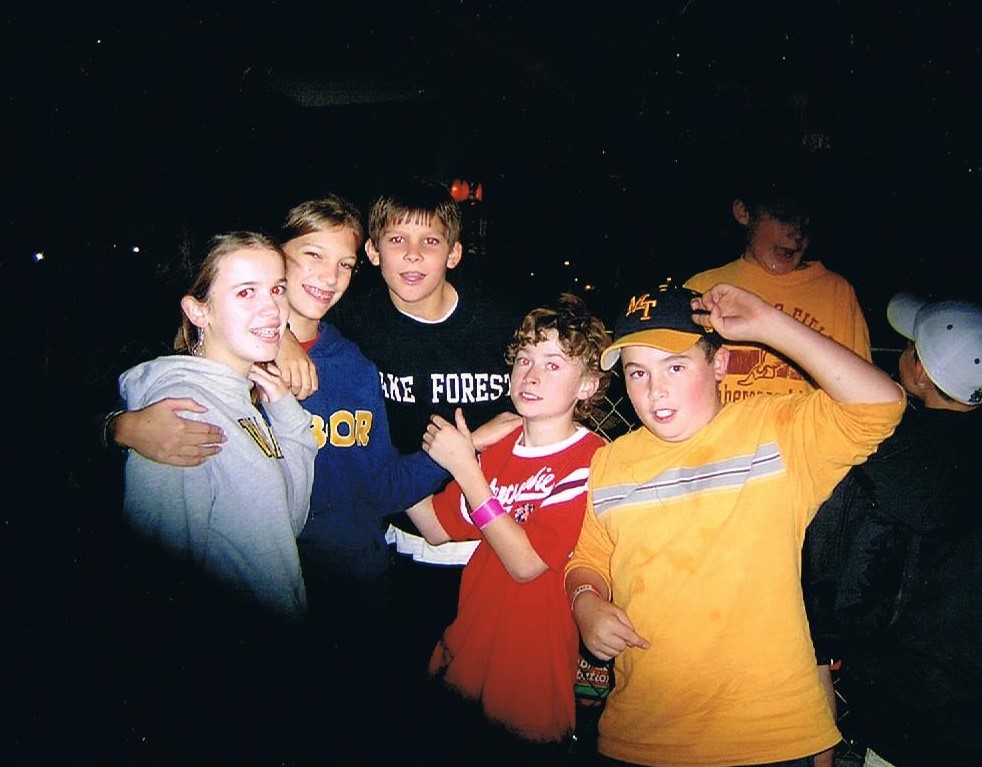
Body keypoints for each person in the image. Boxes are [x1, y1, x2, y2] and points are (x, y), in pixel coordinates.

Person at [565, 280, 905, 767]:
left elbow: (881, 404)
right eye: (637, 373)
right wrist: (586, 603)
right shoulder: (611, 461)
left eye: (675, 366)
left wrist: (769, 325)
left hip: (768, 736)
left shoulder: (775, 431)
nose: (654, 390)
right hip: (640, 733)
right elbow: (589, 560)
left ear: (719, 363)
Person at [684, 181, 872, 765]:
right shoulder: (702, 286)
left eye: (806, 221)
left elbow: (860, 398)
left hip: (805, 498)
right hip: (717, 493)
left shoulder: (835, 292)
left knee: (805, 643)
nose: (797, 233)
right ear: (743, 211)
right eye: (783, 215)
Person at [403, 294, 610, 765]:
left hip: (530, 679)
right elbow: (435, 525)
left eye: (553, 364)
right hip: (463, 661)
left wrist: (464, 465)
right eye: (524, 359)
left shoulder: (591, 459)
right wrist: (377, 459)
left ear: (587, 385)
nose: (531, 375)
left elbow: (526, 562)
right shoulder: (498, 447)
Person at [331, 177, 523, 678]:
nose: (413, 254)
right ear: (373, 252)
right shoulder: (355, 320)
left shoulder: (500, 323)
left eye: (430, 241)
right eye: (397, 239)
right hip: (403, 539)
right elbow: (289, 323)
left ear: (454, 254)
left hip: (496, 539)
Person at [120, 230, 315, 621]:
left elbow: (285, 522)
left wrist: (286, 413)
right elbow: (159, 582)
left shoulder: (240, 394)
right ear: (199, 312)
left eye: (277, 290)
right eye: (246, 292)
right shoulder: (185, 410)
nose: (273, 310)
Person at [824, 293, 982, 767]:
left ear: (920, 373)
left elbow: (853, 587)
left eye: (912, 347)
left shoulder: (889, 458)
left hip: (908, 711)